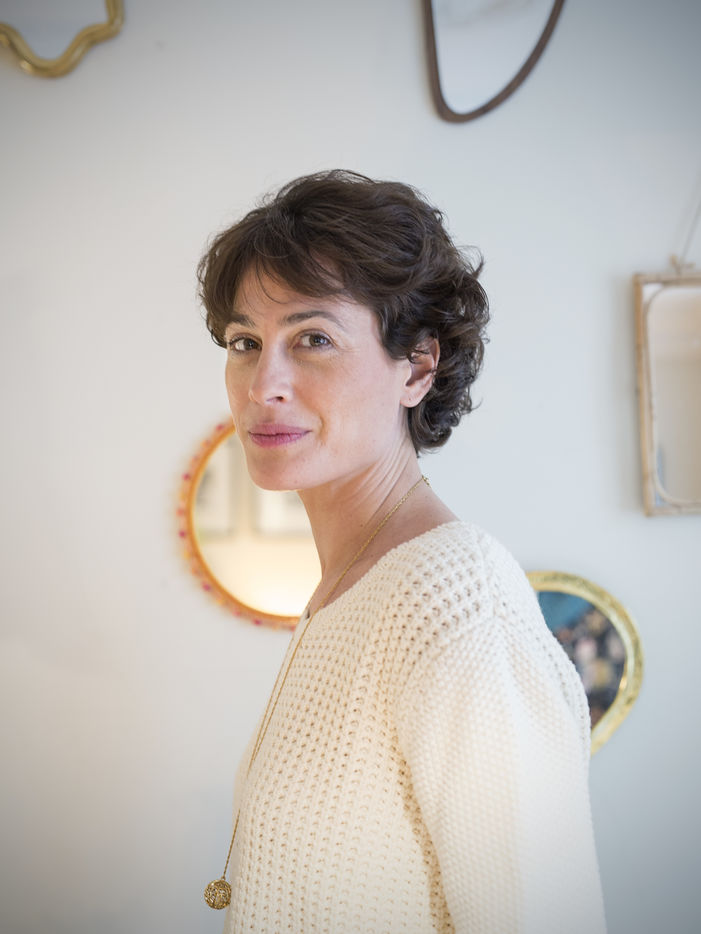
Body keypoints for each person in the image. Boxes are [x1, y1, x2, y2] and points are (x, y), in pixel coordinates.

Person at [197, 170, 606, 933]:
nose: (262, 385)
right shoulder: (349, 589)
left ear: (417, 367)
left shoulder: (455, 601)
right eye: (244, 343)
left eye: (312, 339)